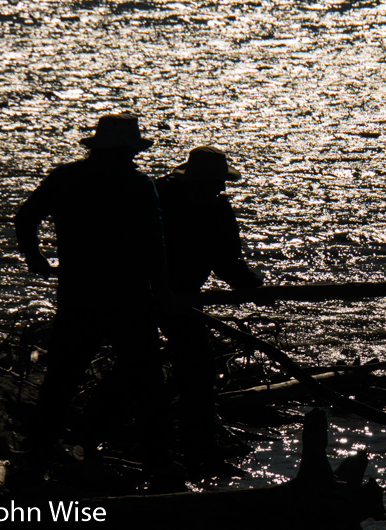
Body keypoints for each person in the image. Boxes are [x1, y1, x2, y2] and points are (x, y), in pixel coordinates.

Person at [14, 113, 179, 485]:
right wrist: (163, 289)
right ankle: (158, 461)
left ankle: (36, 457)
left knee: (61, 379)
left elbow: (26, 218)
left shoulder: (66, 178)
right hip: (129, 297)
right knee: (146, 383)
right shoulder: (138, 185)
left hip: (78, 294)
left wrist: (37, 258)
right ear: (129, 150)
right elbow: (155, 245)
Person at [155, 146, 263, 467]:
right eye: (214, 184)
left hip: (184, 296)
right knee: (141, 365)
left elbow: (227, 262)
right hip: (138, 291)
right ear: (194, 182)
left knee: (198, 370)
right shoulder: (156, 201)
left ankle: (199, 447)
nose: (220, 190)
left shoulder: (217, 211)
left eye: (220, 184)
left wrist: (252, 288)